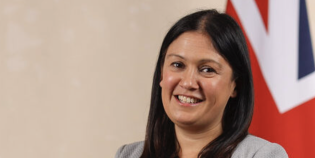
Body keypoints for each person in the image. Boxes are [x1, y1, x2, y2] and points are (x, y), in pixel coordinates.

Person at [115, 9, 288, 158]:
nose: (188, 82)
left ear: (235, 84)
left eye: (207, 70)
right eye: (177, 65)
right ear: (161, 73)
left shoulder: (260, 155)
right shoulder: (130, 154)